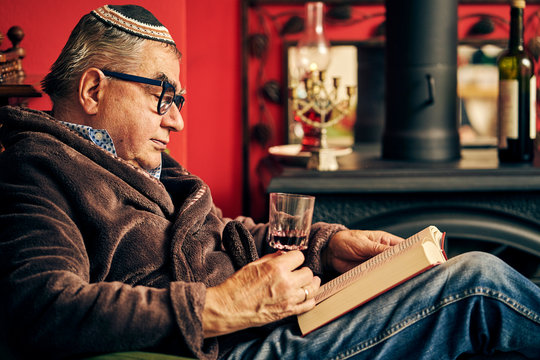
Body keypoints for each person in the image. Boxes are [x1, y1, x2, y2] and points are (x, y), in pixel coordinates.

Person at [0, 5, 538, 360]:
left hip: (270, 325)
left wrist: (327, 247)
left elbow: (215, 237)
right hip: (240, 347)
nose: (177, 121)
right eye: (161, 96)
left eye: (178, 101)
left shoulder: (133, 166)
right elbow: (41, 308)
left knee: (452, 278)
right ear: (93, 89)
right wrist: (221, 307)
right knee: (477, 284)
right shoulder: (35, 170)